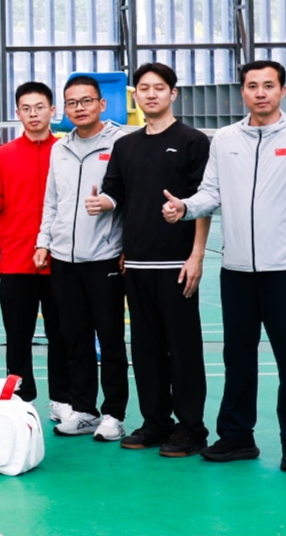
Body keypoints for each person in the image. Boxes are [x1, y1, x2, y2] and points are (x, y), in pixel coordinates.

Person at [167, 60, 286, 473]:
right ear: (242, 92)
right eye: (252, 86)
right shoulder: (225, 139)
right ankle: (237, 436)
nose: (260, 92)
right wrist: (185, 208)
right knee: (237, 357)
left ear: (282, 90)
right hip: (236, 271)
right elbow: (210, 193)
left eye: (268, 85)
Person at [91, 62, 211, 457]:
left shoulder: (193, 141)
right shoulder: (126, 145)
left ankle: (191, 429)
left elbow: (204, 202)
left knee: (183, 350)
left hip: (177, 266)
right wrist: (101, 203)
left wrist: (196, 256)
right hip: (136, 266)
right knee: (145, 351)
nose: (151, 94)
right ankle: (156, 422)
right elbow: (115, 193)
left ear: (172, 94)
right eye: (144, 88)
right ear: (136, 96)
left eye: (159, 88)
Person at [37, 75, 129, 441]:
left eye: (86, 101)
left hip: (104, 257)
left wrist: (126, 244)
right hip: (64, 259)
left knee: (110, 339)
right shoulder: (60, 148)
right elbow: (52, 202)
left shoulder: (121, 143)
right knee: (74, 339)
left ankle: (114, 414)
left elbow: (132, 196)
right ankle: (85, 410)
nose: (79, 108)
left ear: (101, 104)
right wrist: (44, 242)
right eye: (72, 102)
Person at [0, 82, 68, 414]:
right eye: (26, 109)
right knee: (17, 335)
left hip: (61, 259)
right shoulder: (3, 155)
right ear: (18, 113)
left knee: (61, 334)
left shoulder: (65, 151)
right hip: (16, 260)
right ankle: (21, 395)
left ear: (52, 110)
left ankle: (62, 399)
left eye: (39, 107)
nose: (33, 114)